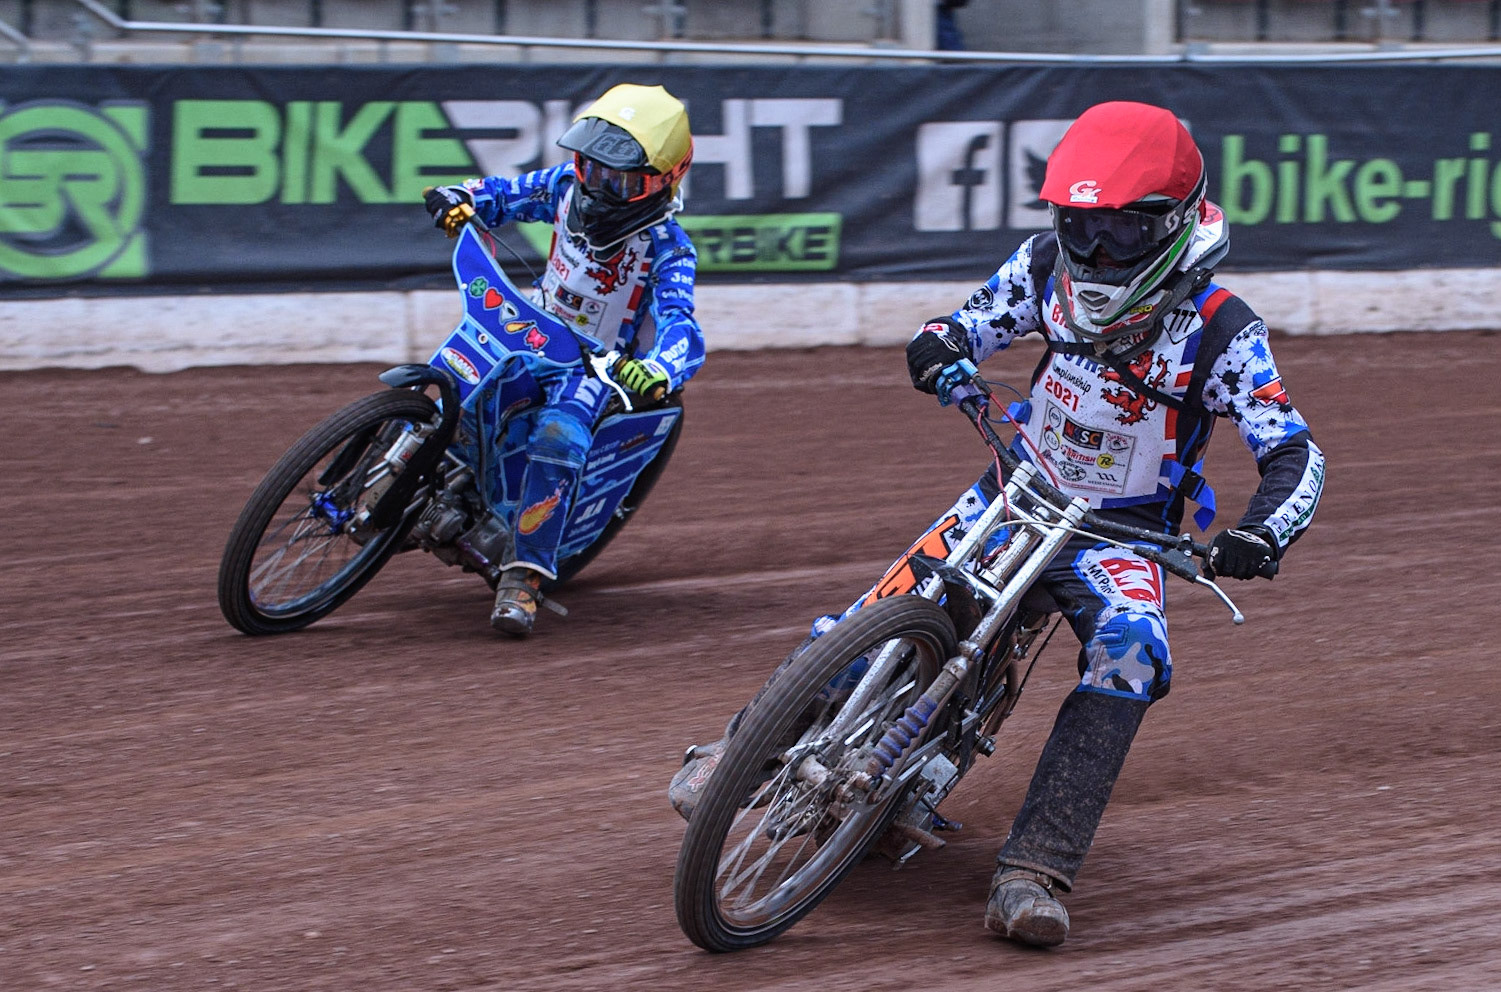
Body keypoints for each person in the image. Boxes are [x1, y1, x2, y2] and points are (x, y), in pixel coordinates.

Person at [669, 101, 1324, 947]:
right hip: (1014, 493)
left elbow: (1294, 452)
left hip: (1122, 537)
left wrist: (1260, 532)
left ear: (1170, 226)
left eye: (1120, 234)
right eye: (1077, 226)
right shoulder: (1045, 265)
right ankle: (740, 751)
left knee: (1132, 653)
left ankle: (1034, 870)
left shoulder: (1221, 331)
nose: (1092, 252)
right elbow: (965, 323)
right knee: (881, 606)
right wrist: (939, 347)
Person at [422, 83, 704, 637]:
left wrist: (658, 369)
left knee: (559, 434)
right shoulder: (562, 187)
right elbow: (503, 194)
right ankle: (418, 470)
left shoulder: (670, 248)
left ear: (660, 182)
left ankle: (523, 577)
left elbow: (682, 328)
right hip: (532, 327)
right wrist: (462, 196)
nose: (598, 187)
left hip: (594, 367)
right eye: (591, 169)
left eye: (618, 179)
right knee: (459, 382)